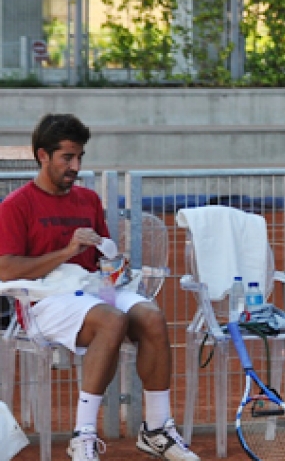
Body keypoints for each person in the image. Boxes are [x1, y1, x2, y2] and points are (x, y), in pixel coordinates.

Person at [0, 114, 199, 461]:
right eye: (67, 157)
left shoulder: (88, 200)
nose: (75, 166)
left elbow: (101, 259)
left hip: (92, 289)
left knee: (151, 316)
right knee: (111, 320)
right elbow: (5, 269)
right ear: (42, 155)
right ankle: (84, 436)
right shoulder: (16, 205)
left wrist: (113, 263)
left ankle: (155, 430)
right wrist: (66, 252)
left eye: (80, 158)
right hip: (43, 300)